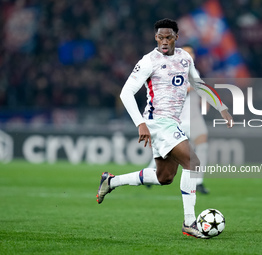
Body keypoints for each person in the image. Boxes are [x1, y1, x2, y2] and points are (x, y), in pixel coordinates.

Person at [96, 18, 233, 239]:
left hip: (171, 123)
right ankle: (189, 223)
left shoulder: (185, 58)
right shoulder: (148, 61)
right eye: (160, 37)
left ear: (176, 37)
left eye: (169, 36)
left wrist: (221, 107)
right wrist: (141, 123)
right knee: (193, 163)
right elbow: (126, 93)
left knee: (165, 177)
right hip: (157, 122)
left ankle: (111, 181)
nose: (164, 41)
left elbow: (198, 84)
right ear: (155, 38)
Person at [145, 45, 210, 194]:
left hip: (193, 117)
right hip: (177, 118)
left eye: (192, 52)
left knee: (202, 145)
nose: (190, 55)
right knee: (167, 151)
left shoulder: (194, 71)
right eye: (187, 52)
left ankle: (198, 181)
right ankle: (150, 171)